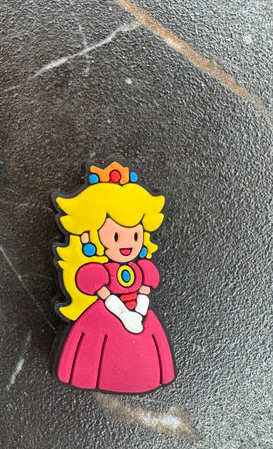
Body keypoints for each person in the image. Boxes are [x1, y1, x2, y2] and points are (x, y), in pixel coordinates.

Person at [53, 162, 175, 393]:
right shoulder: (97, 273)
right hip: (106, 317)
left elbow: (145, 290)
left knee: (146, 352)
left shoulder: (142, 269)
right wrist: (124, 314)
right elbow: (104, 294)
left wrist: (139, 310)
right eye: (116, 236)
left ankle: (144, 377)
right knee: (100, 356)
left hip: (138, 314)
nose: (128, 244)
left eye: (136, 235)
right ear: (90, 235)